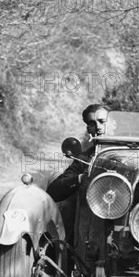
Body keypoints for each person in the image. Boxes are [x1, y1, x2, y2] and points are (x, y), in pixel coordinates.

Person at [47, 104, 109, 249]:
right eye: (92, 124)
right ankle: (65, 254)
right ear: (88, 129)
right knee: (68, 204)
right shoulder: (86, 158)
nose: (98, 128)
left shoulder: (134, 155)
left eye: (102, 121)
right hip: (92, 222)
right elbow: (54, 191)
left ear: (114, 122)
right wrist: (81, 178)